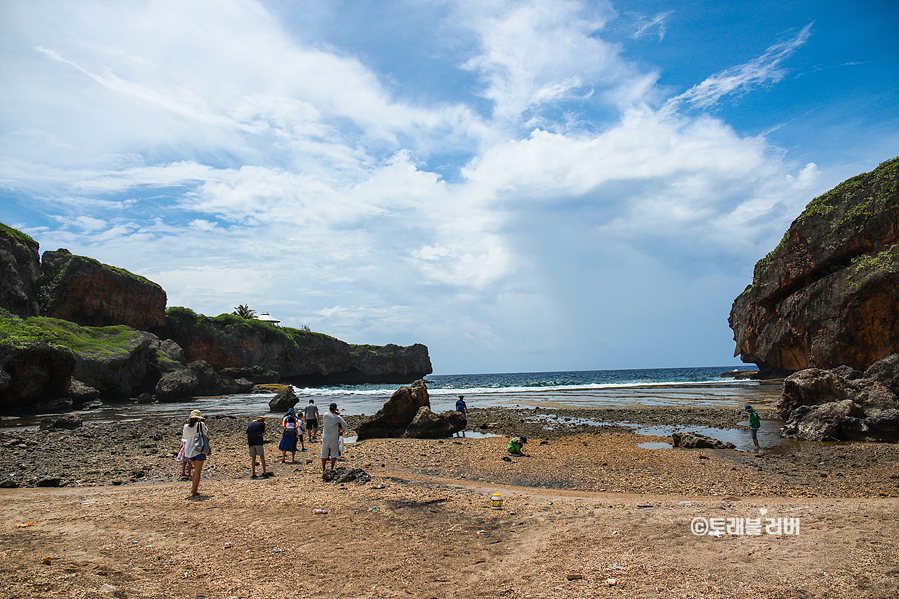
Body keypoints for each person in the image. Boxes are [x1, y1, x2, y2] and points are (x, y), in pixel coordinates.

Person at [182, 409, 210, 497]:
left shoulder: (186, 426)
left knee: (195, 470)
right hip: (199, 450)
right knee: (198, 471)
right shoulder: (200, 425)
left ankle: (193, 488)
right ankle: (194, 491)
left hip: (189, 451)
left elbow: (185, 437)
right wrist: (203, 423)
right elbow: (206, 433)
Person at [321, 402, 348, 473]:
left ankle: (323, 468)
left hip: (325, 438)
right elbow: (345, 425)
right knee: (334, 454)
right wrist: (342, 430)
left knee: (324, 455)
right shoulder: (337, 417)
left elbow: (330, 415)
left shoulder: (325, 415)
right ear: (336, 409)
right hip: (334, 438)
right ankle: (332, 468)